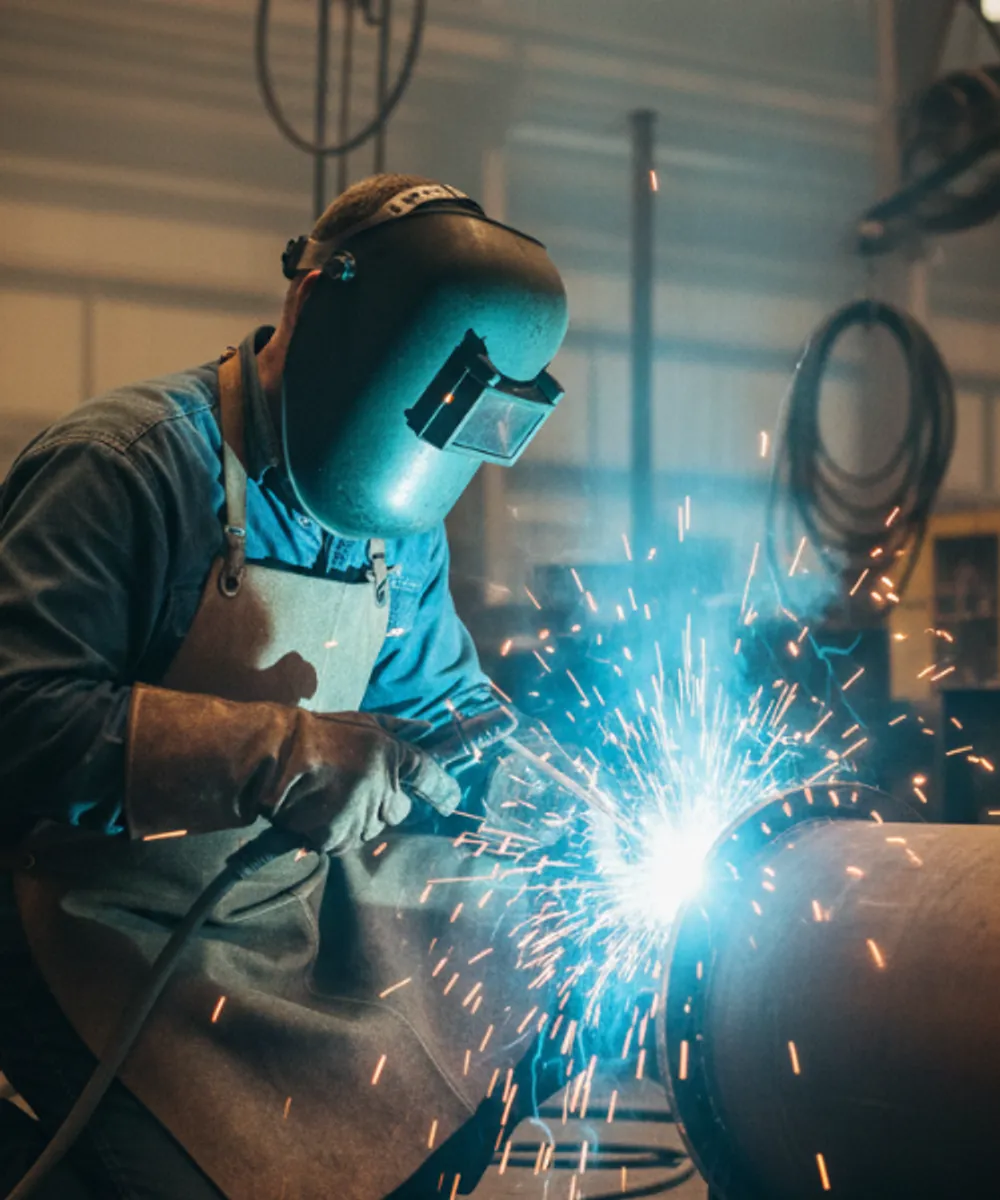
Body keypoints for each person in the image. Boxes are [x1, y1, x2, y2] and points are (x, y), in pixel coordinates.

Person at [0, 174, 569, 1199]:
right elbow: (15, 716)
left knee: (531, 1007)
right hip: (88, 918)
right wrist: (278, 756)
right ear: (312, 305)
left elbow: (445, 712)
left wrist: (535, 793)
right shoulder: (127, 465)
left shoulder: (403, 516)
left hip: (283, 904)